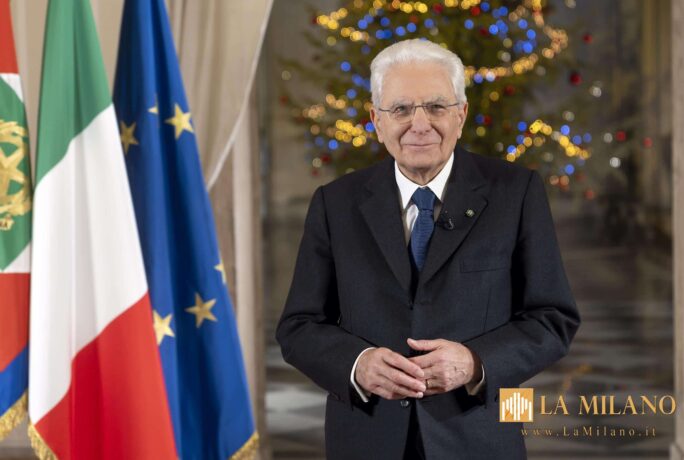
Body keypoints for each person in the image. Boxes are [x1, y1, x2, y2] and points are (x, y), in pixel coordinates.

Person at [276, 38, 580, 460]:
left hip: (481, 437)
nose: (420, 124)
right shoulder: (335, 203)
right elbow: (299, 326)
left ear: (461, 115)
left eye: (437, 107)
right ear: (376, 120)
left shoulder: (516, 193)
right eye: (401, 109)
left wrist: (475, 363)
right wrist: (357, 364)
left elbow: (553, 318)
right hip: (367, 439)